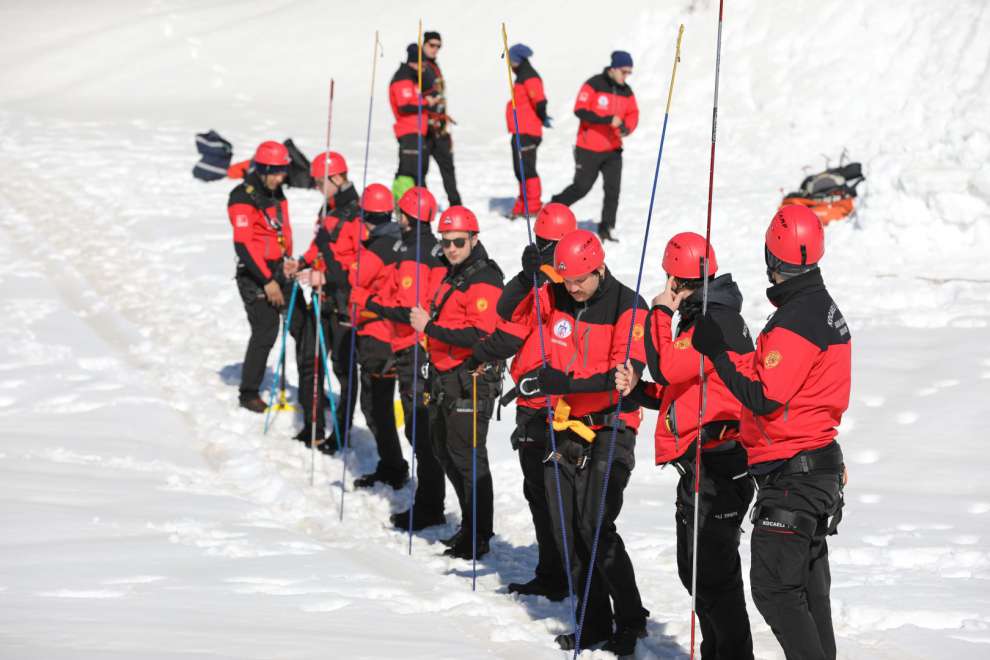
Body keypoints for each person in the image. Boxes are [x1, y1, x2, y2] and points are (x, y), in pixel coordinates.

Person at [691, 205, 851, 660]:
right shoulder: (817, 308)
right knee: (805, 592)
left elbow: (765, 396)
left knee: (775, 590)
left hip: (794, 477)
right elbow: (776, 375)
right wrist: (735, 355)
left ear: (771, 255)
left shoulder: (798, 317)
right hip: (813, 468)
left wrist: (718, 354)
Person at [615, 232, 756, 659]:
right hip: (701, 466)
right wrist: (639, 392)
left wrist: (659, 310)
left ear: (675, 280)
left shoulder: (714, 319)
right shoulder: (706, 316)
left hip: (720, 466)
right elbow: (686, 393)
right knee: (696, 572)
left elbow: (667, 366)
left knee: (713, 575)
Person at [512, 229, 649, 655]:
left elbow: (620, 380)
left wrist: (563, 381)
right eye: (566, 280)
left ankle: (630, 617)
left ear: (599, 267)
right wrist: (526, 275)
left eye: (580, 281)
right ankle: (592, 625)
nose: (572, 288)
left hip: (611, 428)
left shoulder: (629, 305)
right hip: (563, 425)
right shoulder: (558, 297)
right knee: (567, 530)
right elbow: (507, 313)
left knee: (594, 524)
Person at [467, 203, 575, 600]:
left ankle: (569, 575)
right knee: (538, 494)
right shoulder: (538, 287)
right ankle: (552, 572)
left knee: (558, 498)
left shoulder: (567, 290)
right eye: (544, 246)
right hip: (532, 403)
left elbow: (517, 328)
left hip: (556, 406)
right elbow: (508, 314)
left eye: (551, 247)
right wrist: (524, 276)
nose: (548, 255)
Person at [409, 206, 503, 559]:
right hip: (445, 376)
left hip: (470, 379)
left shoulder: (483, 280)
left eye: (458, 241)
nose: (451, 248)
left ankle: (478, 533)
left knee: (468, 458)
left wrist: (430, 328)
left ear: (474, 238)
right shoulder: (456, 273)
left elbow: (481, 334)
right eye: (445, 242)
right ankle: (470, 524)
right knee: (444, 451)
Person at [363, 187, 449, 530]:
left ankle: (430, 505)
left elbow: (409, 308)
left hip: (413, 348)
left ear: (408, 217)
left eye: (401, 214)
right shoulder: (436, 248)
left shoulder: (414, 253)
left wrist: (372, 304)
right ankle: (430, 500)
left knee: (419, 426)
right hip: (425, 347)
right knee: (422, 426)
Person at [294, 151, 362, 449]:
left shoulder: (359, 215)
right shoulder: (328, 210)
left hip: (344, 301)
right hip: (320, 299)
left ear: (337, 177)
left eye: (321, 181)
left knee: (344, 371)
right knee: (310, 361)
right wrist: (300, 263)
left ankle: (341, 432)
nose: (317, 187)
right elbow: (316, 247)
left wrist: (327, 278)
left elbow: (361, 266)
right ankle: (313, 426)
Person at [227, 140, 301, 413]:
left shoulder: (276, 192)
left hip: (281, 268)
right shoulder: (242, 197)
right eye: (277, 171)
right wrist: (268, 281)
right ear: (264, 169)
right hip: (256, 275)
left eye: (284, 171)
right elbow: (243, 245)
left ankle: (310, 393)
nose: (282, 177)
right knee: (265, 330)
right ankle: (248, 392)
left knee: (304, 328)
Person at [347, 184, 408, 490]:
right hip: (395, 335)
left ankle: (393, 466)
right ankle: (392, 463)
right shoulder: (401, 242)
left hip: (376, 335)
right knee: (379, 404)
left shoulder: (376, 248)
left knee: (375, 405)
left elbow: (354, 277)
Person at [550, 51, 638, 243]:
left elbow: (633, 113)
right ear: (613, 68)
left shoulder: (627, 91)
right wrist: (608, 119)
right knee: (582, 187)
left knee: (613, 190)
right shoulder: (594, 84)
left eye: (629, 72)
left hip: (613, 149)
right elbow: (580, 110)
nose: (626, 76)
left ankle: (606, 227)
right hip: (588, 148)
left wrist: (627, 128)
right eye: (624, 71)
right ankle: (554, 207)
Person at [505, 43, 550, 218]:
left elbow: (539, 100)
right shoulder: (521, 76)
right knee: (520, 169)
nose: (509, 63)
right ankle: (523, 203)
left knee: (527, 168)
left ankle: (533, 204)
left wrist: (543, 117)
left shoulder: (529, 76)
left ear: (517, 60)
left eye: (510, 60)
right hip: (519, 131)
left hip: (527, 131)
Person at [389, 44, 439, 202]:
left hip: (417, 131)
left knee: (419, 170)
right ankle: (403, 203)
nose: (424, 68)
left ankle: (416, 202)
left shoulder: (412, 78)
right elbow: (404, 106)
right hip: (408, 130)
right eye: (422, 65)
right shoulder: (403, 78)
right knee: (408, 171)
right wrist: (426, 102)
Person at [421, 31, 462, 206]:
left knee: (448, 167)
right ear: (423, 44)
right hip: (424, 127)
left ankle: (456, 204)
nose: (435, 49)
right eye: (431, 45)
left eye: (438, 46)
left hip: (439, 126)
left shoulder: (434, 66)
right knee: (420, 170)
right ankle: (421, 205)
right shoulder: (419, 67)